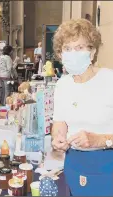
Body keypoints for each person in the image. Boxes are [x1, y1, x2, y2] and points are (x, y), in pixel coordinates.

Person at [51, 18, 113, 196]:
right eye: (67, 49)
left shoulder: (109, 80)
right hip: (74, 165)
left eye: (79, 48)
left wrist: (99, 140)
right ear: (60, 54)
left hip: (107, 165)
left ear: (92, 51)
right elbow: (59, 122)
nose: (72, 54)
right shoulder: (62, 85)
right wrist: (58, 138)